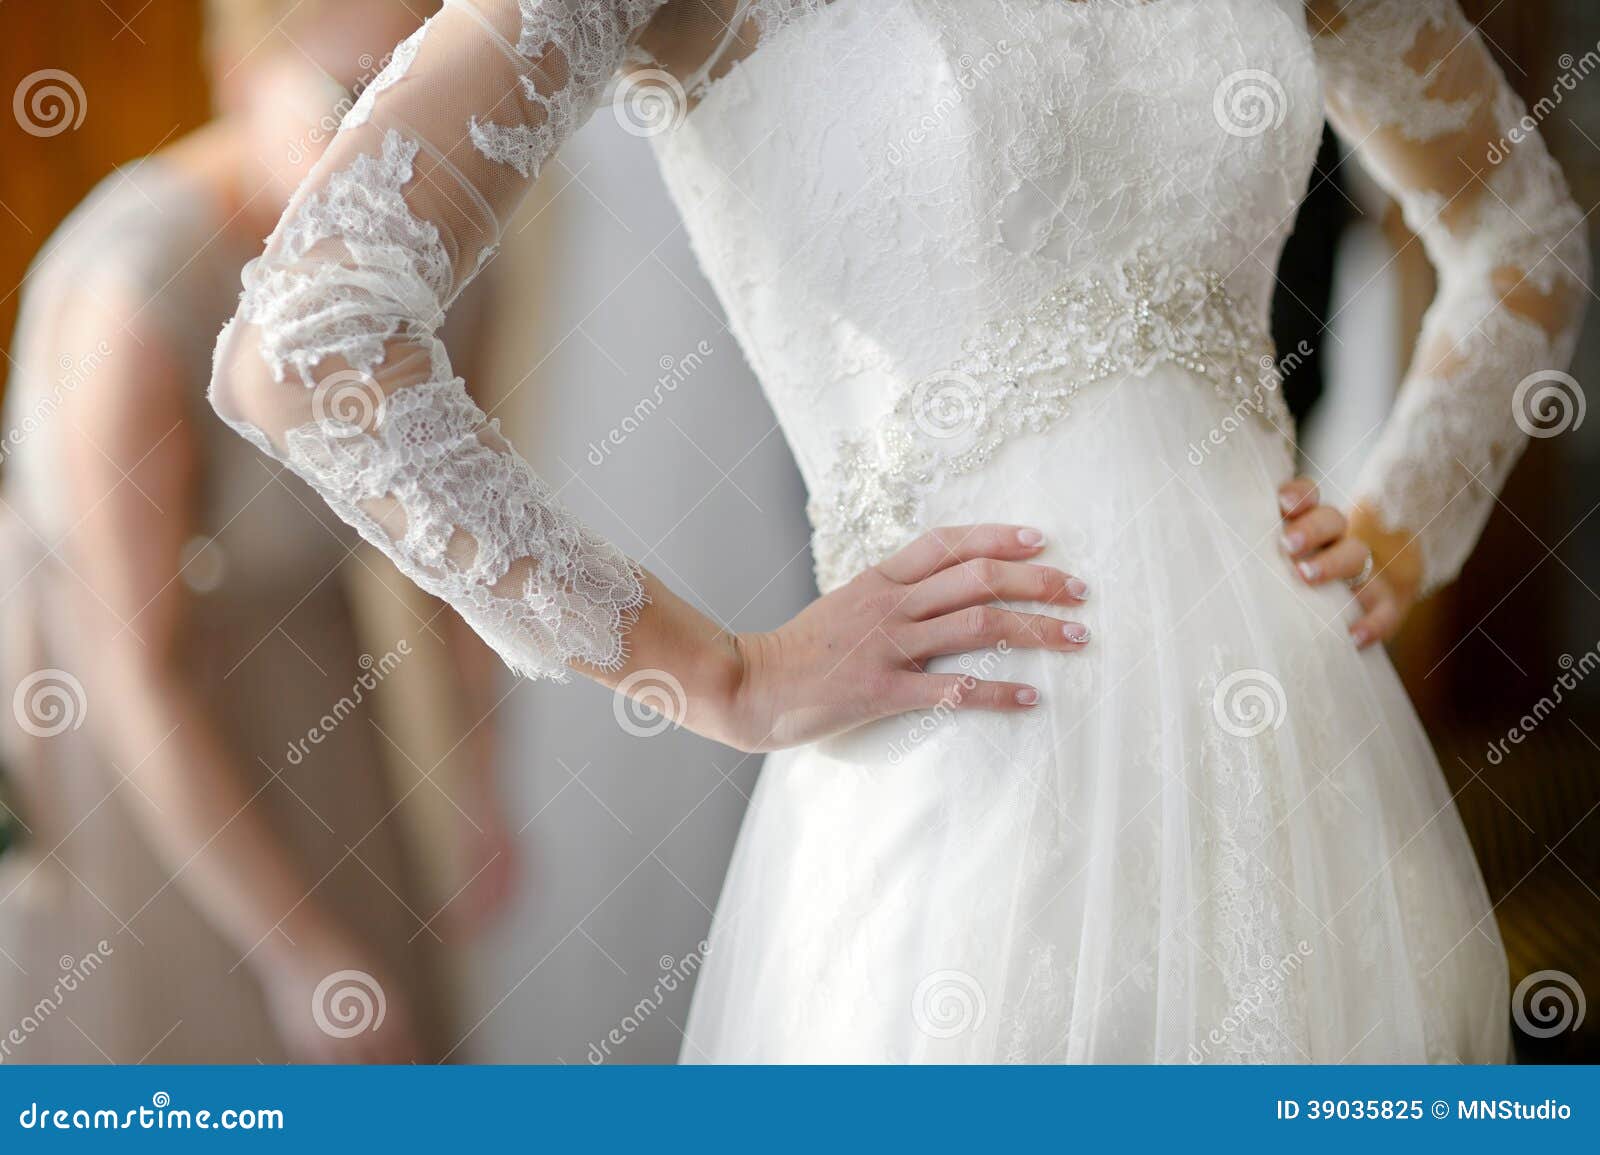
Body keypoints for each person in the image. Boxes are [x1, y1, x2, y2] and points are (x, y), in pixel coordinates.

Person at [208, 0, 1588, 1062]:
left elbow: (1523, 234)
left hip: (1307, 776)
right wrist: (721, 673)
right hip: (967, 777)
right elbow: (308, 341)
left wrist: (1403, 522)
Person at [0, 0, 510, 1063]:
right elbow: (132, 661)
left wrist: (475, 784)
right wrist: (299, 950)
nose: (377, 161)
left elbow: (448, 538)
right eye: (340, 107)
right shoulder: (139, 293)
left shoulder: (439, 254)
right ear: (239, 79)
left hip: (310, 676)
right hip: (122, 715)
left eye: (408, 108)